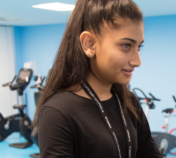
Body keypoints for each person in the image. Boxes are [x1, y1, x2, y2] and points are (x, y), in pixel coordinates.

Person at [34, 0, 162, 157]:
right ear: (89, 44)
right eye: (126, 46)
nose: (137, 61)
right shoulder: (58, 112)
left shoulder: (129, 101)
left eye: (139, 47)